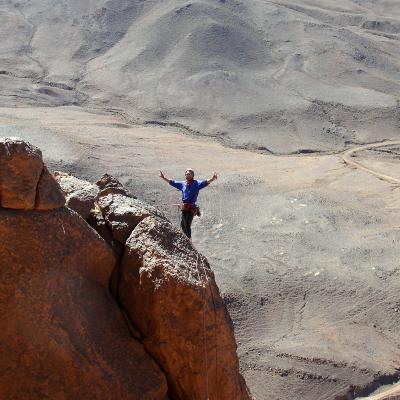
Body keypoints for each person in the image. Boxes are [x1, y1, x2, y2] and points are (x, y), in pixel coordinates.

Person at [159, 168, 218, 238]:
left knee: (187, 224)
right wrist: (163, 178)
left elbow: (205, 182)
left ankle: (188, 240)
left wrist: (213, 178)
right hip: (184, 207)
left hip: (191, 207)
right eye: (186, 174)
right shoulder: (182, 184)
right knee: (183, 224)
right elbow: (172, 182)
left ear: (192, 175)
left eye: (189, 174)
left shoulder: (197, 183)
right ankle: (186, 239)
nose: (187, 175)